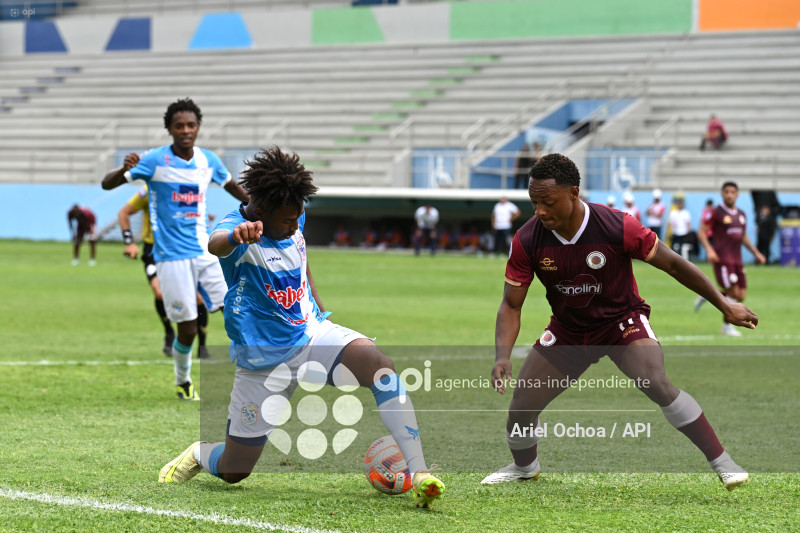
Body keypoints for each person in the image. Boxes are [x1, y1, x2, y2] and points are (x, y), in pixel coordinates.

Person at [157, 146, 445, 509]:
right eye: (288, 221)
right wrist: (236, 236)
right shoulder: (238, 232)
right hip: (263, 360)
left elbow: (300, 261)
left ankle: (420, 472)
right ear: (260, 212)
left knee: (380, 366)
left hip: (310, 336)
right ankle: (200, 453)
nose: (296, 224)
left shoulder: (294, 216)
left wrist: (320, 308)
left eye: (299, 217)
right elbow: (215, 244)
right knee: (235, 470)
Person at [481, 153, 755, 492]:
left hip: (621, 323)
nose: (540, 211)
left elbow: (673, 264)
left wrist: (723, 304)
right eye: (534, 202)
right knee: (522, 406)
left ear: (573, 193)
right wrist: (502, 356)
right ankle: (524, 468)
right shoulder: (527, 239)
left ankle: (723, 463)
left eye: (547, 202)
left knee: (654, 381)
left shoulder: (617, 226)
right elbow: (511, 304)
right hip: (568, 329)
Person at [102, 97, 249, 401]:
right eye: (179, 125)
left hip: (205, 252)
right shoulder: (154, 160)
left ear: (198, 128)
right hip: (170, 258)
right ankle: (183, 382)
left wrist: (262, 208)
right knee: (188, 330)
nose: (185, 130)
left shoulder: (208, 160)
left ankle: (252, 377)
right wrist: (122, 170)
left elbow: (235, 189)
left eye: (191, 125)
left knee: (237, 309)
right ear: (169, 129)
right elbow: (107, 184)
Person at [118, 184, 211, 359]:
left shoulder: (187, 186)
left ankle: (202, 345)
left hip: (185, 249)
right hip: (154, 251)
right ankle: (169, 332)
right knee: (159, 293)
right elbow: (124, 212)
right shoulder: (149, 189)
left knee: (198, 297)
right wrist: (129, 241)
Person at [695, 182, 766, 336]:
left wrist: (756, 253)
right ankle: (726, 327)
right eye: (726, 192)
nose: (729, 195)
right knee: (733, 292)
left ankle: (707, 295)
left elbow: (743, 236)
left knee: (741, 295)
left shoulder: (741, 214)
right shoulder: (716, 212)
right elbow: (701, 232)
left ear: (737, 195)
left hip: (737, 260)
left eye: (733, 192)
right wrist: (709, 250)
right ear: (722, 194)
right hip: (722, 259)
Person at [668, 195, 692, 260]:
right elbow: (670, 223)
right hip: (675, 233)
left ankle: (682, 261)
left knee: (682, 249)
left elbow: (688, 224)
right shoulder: (673, 213)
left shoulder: (685, 213)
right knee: (674, 247)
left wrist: (688, 233)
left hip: (683, 233)